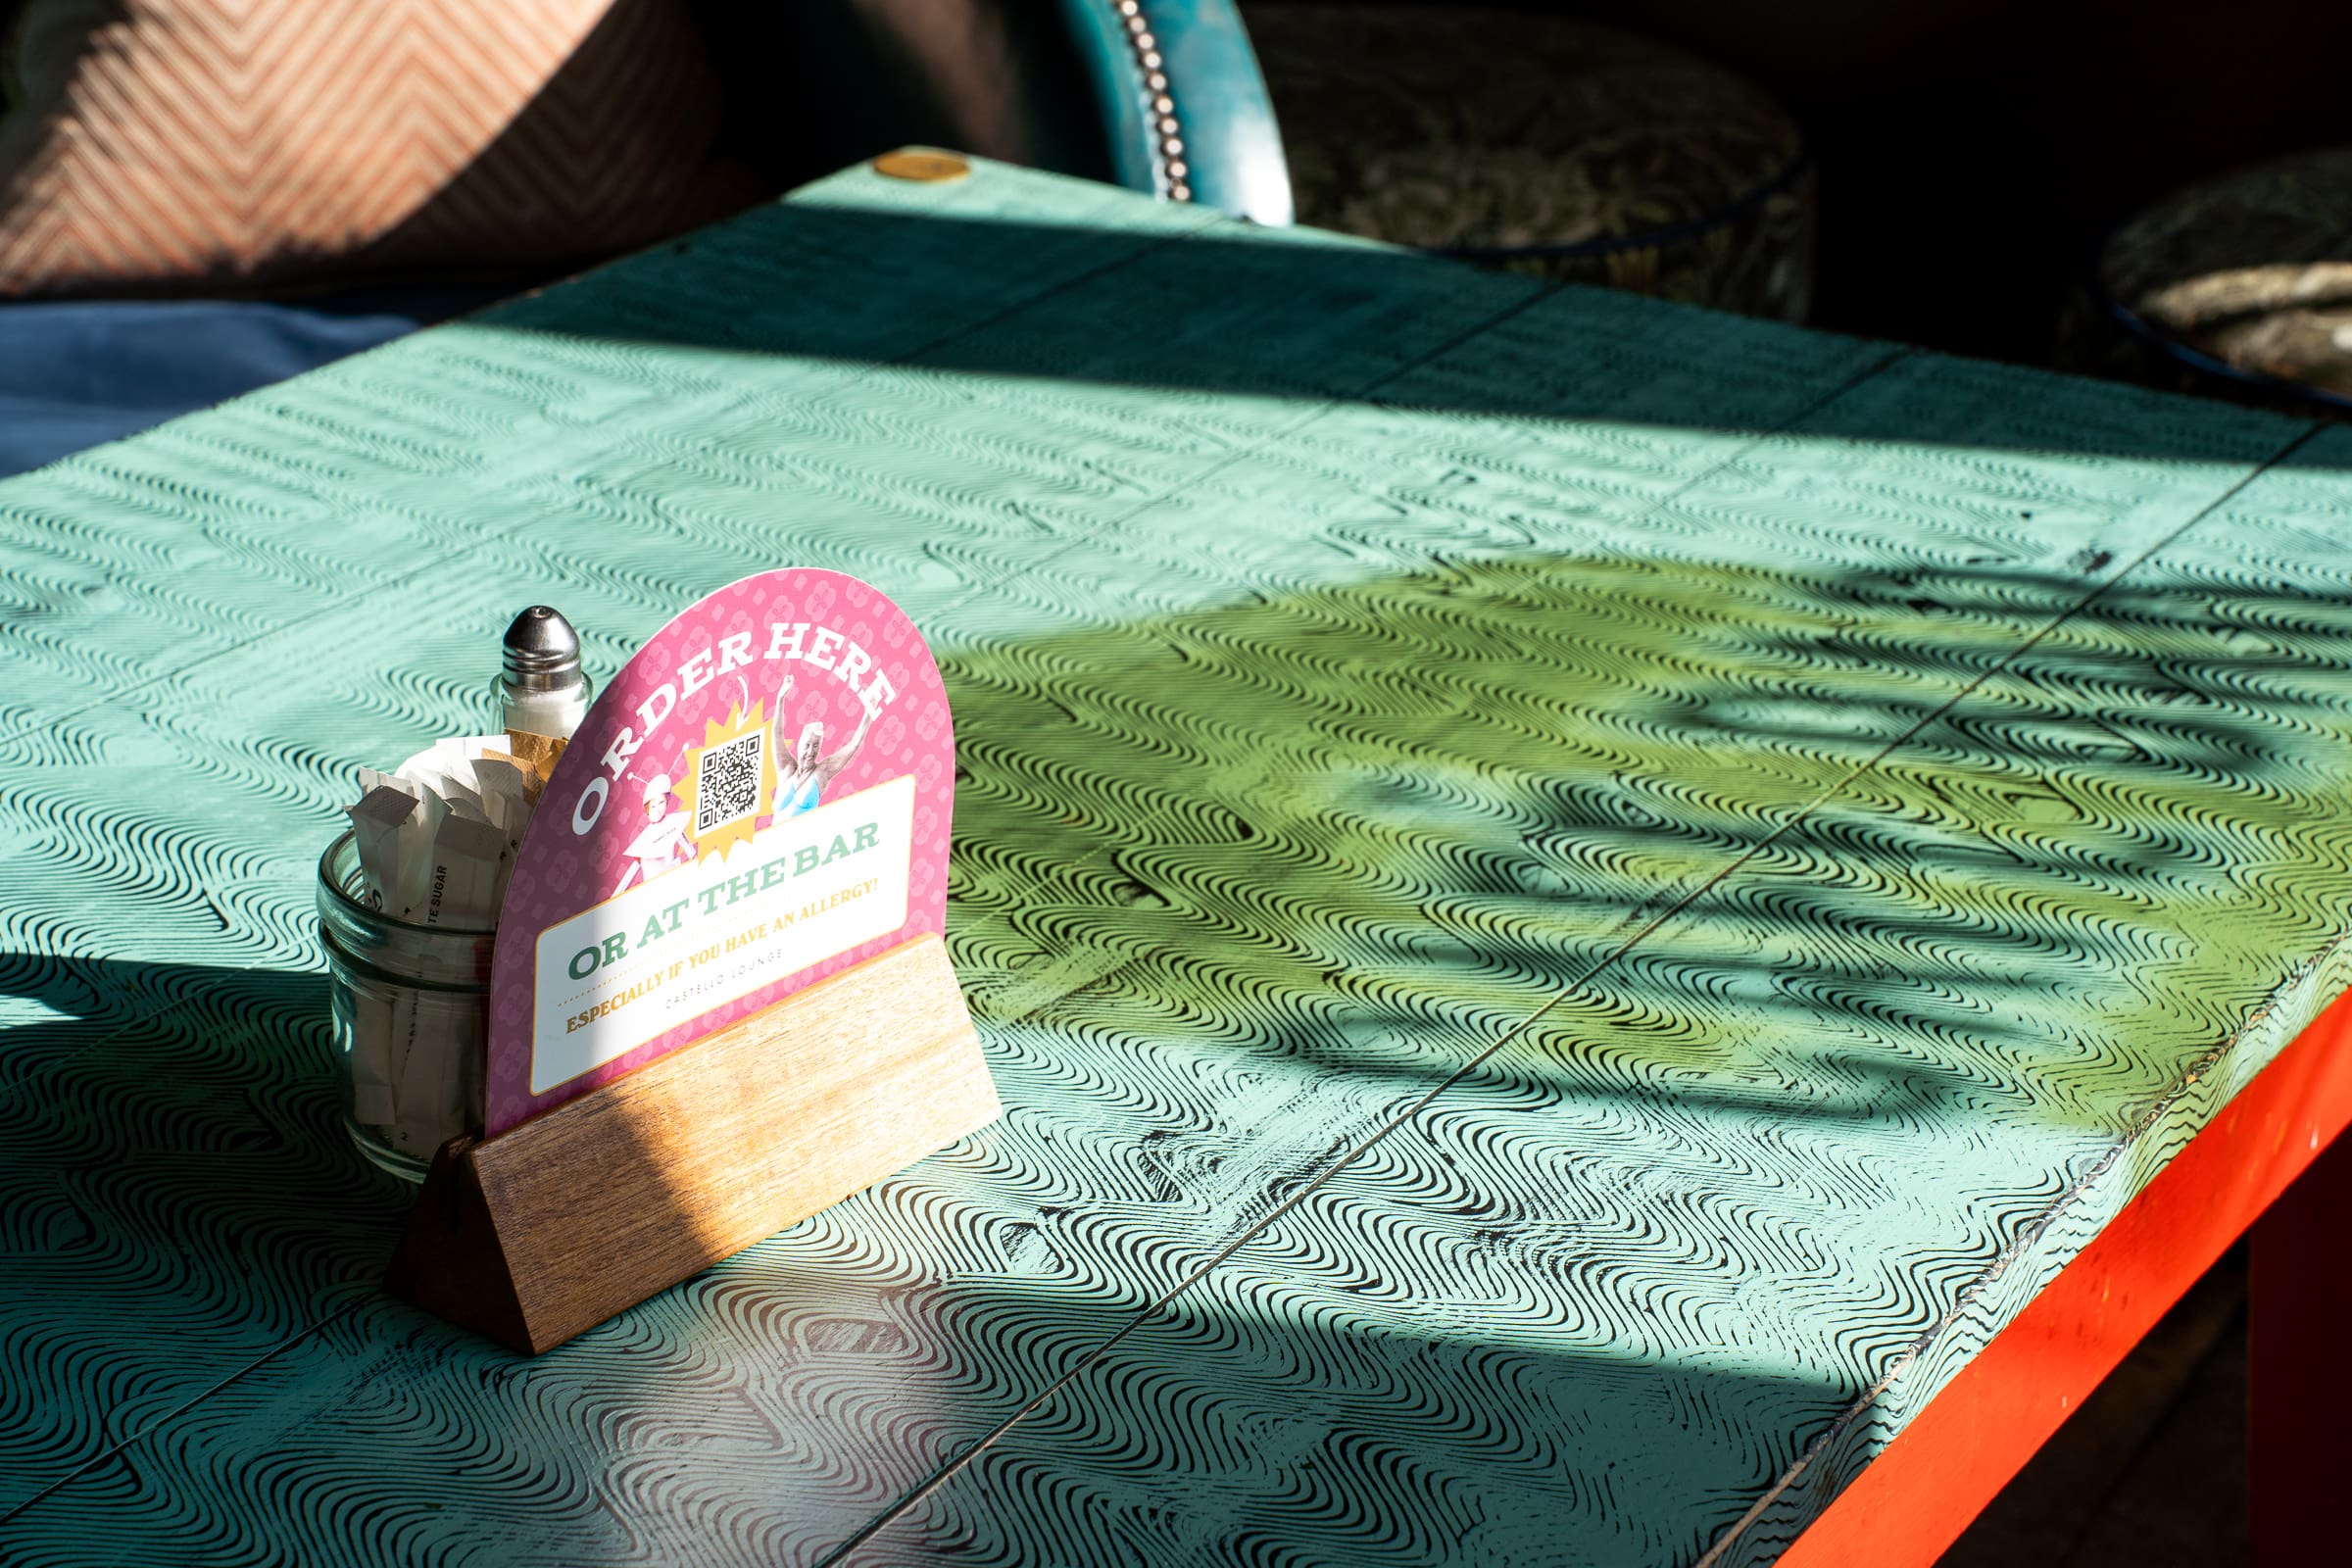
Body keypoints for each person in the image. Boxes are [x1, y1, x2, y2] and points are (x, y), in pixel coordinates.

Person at [770, 671, 876, 817]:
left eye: (815, 746)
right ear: (800, 744)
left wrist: (868, 712)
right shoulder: (786, 768)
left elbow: (854, 744)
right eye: (807, 745)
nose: (810, 752)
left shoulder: (822, 772)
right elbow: (778, 734)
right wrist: (780, 699)